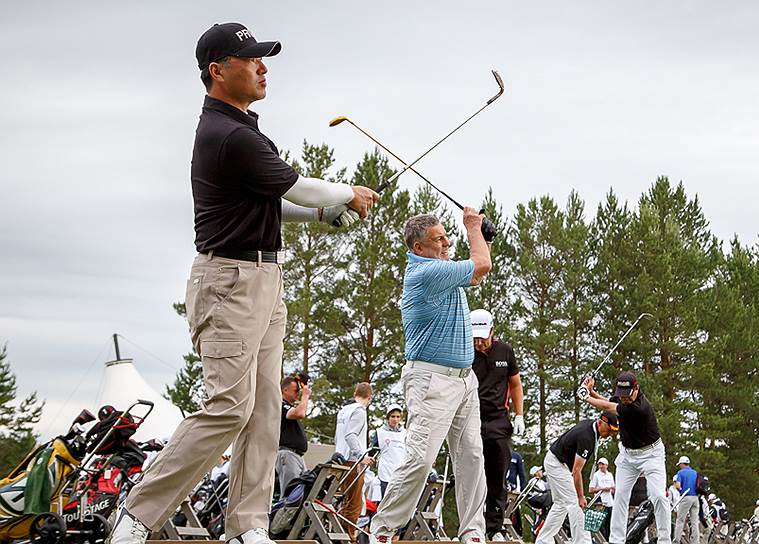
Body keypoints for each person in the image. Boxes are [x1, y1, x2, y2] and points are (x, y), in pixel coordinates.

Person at [111, 22, 379, 544]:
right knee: (228, 407)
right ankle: (137, 514)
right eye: (250, 58)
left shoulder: (245, 131)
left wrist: (324, 218)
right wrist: (345, 194)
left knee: (263, 412)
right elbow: (299, 186)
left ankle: (247, 525)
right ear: (217, 70)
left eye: (262, 58)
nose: (262, 66)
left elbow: (272, 203)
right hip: (229, 281)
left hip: (263, 278)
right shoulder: (226, 133)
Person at [369, 211, 493, 544]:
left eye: (446, 236)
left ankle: (472, 534)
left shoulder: (442, 270)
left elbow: (477, 272)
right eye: (440, 239)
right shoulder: (425, 273)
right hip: (432, 381)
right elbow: (482, 265)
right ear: (420, 247)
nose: (447, 242)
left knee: (471, 456)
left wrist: (482, 236)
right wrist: (473, 227)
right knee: (422, 460)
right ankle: (381, 529)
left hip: (464, 380)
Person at [581, 372, 671, 544]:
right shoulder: (623, 398)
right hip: (628, 455)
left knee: (658, 496)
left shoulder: (640, 408)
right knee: (621, 495)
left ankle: (665, 540)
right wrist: (591, 392)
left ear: (636, 388)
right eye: (621, 395)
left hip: (651, 455)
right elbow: (610, 403)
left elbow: (609, 408)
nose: (623, 399)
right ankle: (616, 541)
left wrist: (586, 397)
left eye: (627, 395)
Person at [470, 308, 526, 539]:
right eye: (475, 338)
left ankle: (494, 528)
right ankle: (471, 528)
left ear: (492, 331)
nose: (479, 343)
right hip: (470, 419)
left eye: (482, 338)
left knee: (497, 476)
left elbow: (515, 384)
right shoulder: (464, 351)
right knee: (471, 476)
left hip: (498, 421)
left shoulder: (505, 351)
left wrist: (519, 414)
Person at [536, 412, 620, 544]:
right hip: (557, 464)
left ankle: (543, 540)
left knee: (560, 504)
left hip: (557, 462)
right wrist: (581, 496)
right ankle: (582, 541)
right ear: (602, 422)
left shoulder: (593, 429)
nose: (610, 434)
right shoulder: (587, 437)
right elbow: (577, 470)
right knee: (575, 504)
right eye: (609, 429)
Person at [335, 383, 374, 543]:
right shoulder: (359, 411)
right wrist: (361, 456)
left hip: (341, 458)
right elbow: (351, 435)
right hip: (352, 461)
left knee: (345, 502)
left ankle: (342, 536)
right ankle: (349, 539)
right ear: (370, 397)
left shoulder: (344, 410)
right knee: (354, 504)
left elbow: (339, 436)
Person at [276, 375, 311, 496]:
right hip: (288, 454)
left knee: (302, 493)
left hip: (297, 455)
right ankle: (283, 515)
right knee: (290, 494)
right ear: (285, 390)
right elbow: (300, 413)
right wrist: (305, 396)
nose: (298, 393)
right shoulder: (280, 404)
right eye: (296, 390)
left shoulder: (289, 406)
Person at [371, 405, 407, 496]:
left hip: (400, 472)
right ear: (388, 417)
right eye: (393, 416)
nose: (395, 419)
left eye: (398, 417)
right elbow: (372, 451)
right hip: (385, 471)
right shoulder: (379, 432)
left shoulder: (405, 433)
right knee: (384, 500)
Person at [673, 455, 700, 544]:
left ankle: (676, 540)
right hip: (696, 498)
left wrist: (680, 490)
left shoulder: (680, 473)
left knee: (680, 519)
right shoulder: (695, 472)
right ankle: (695, 541)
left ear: (682, 464)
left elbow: (677, 485)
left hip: (686, 496)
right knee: (694, 521)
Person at [589, 458, 616, 539]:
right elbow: (591, 489)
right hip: (600, 501)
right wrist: (603, 489)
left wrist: (613, 489)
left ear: (606, 465)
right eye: (600, 464)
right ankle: (599, 539)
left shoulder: (610, 475)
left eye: (603, 464)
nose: (601, 466)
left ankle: (608, 539)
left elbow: (613, 489)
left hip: (610, 501)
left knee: (609, 522)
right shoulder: (596, 475)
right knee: (600, 523)